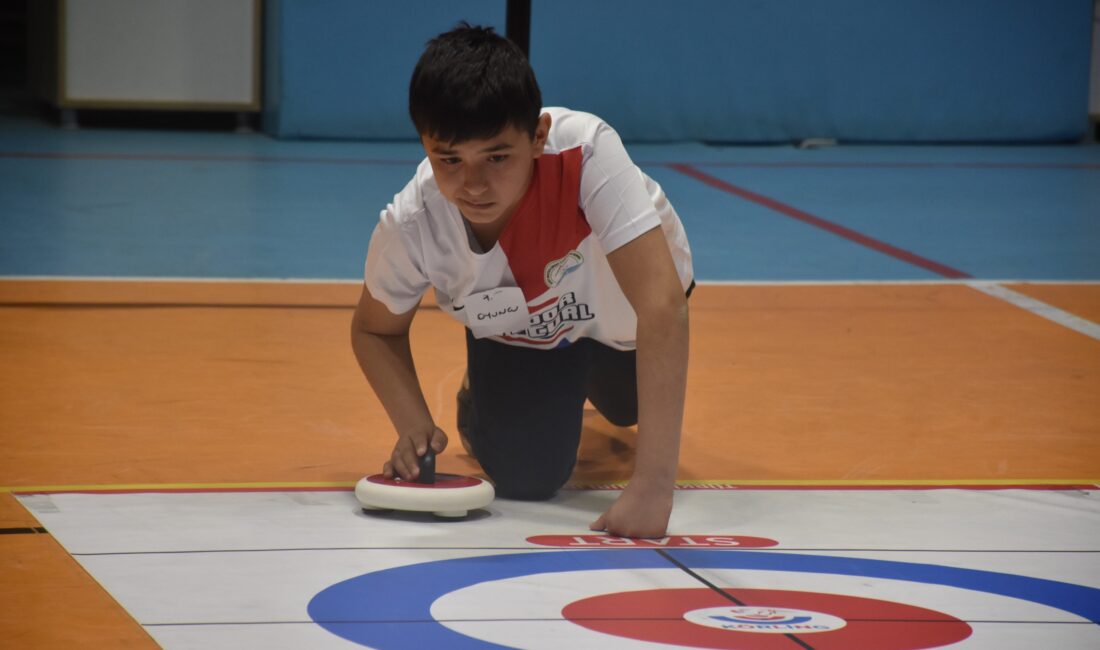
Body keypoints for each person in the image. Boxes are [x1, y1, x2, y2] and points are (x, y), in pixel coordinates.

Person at [351, 23, 693, 538]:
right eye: (449, 159)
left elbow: (662, 306)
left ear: (537, 136)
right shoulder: (414, 220)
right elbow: (374, 328)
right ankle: (484, 391)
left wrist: (653, 486)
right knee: (527, 477)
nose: (473, 185)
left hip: (625, 322)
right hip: (525, 333)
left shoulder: (585, 152)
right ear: (424, 144)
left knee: (632, 407)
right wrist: (413, 423)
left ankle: (566, 384)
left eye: (496, 157)